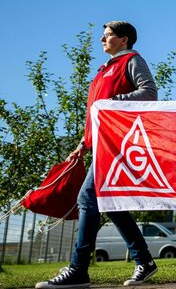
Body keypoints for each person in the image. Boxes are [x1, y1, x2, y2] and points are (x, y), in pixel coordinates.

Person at [36, 21, 158, 289]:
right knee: (111, 205)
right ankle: (145, 261)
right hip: (100, 143)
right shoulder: (103, 70)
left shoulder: (132, 61)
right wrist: (83, 142)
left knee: (87, 197)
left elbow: (149, 92)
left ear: (124, 39)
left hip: (118, 142)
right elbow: (95, 113)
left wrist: (115, 102)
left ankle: (79, 270)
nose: (103, 39)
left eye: (108, 35)